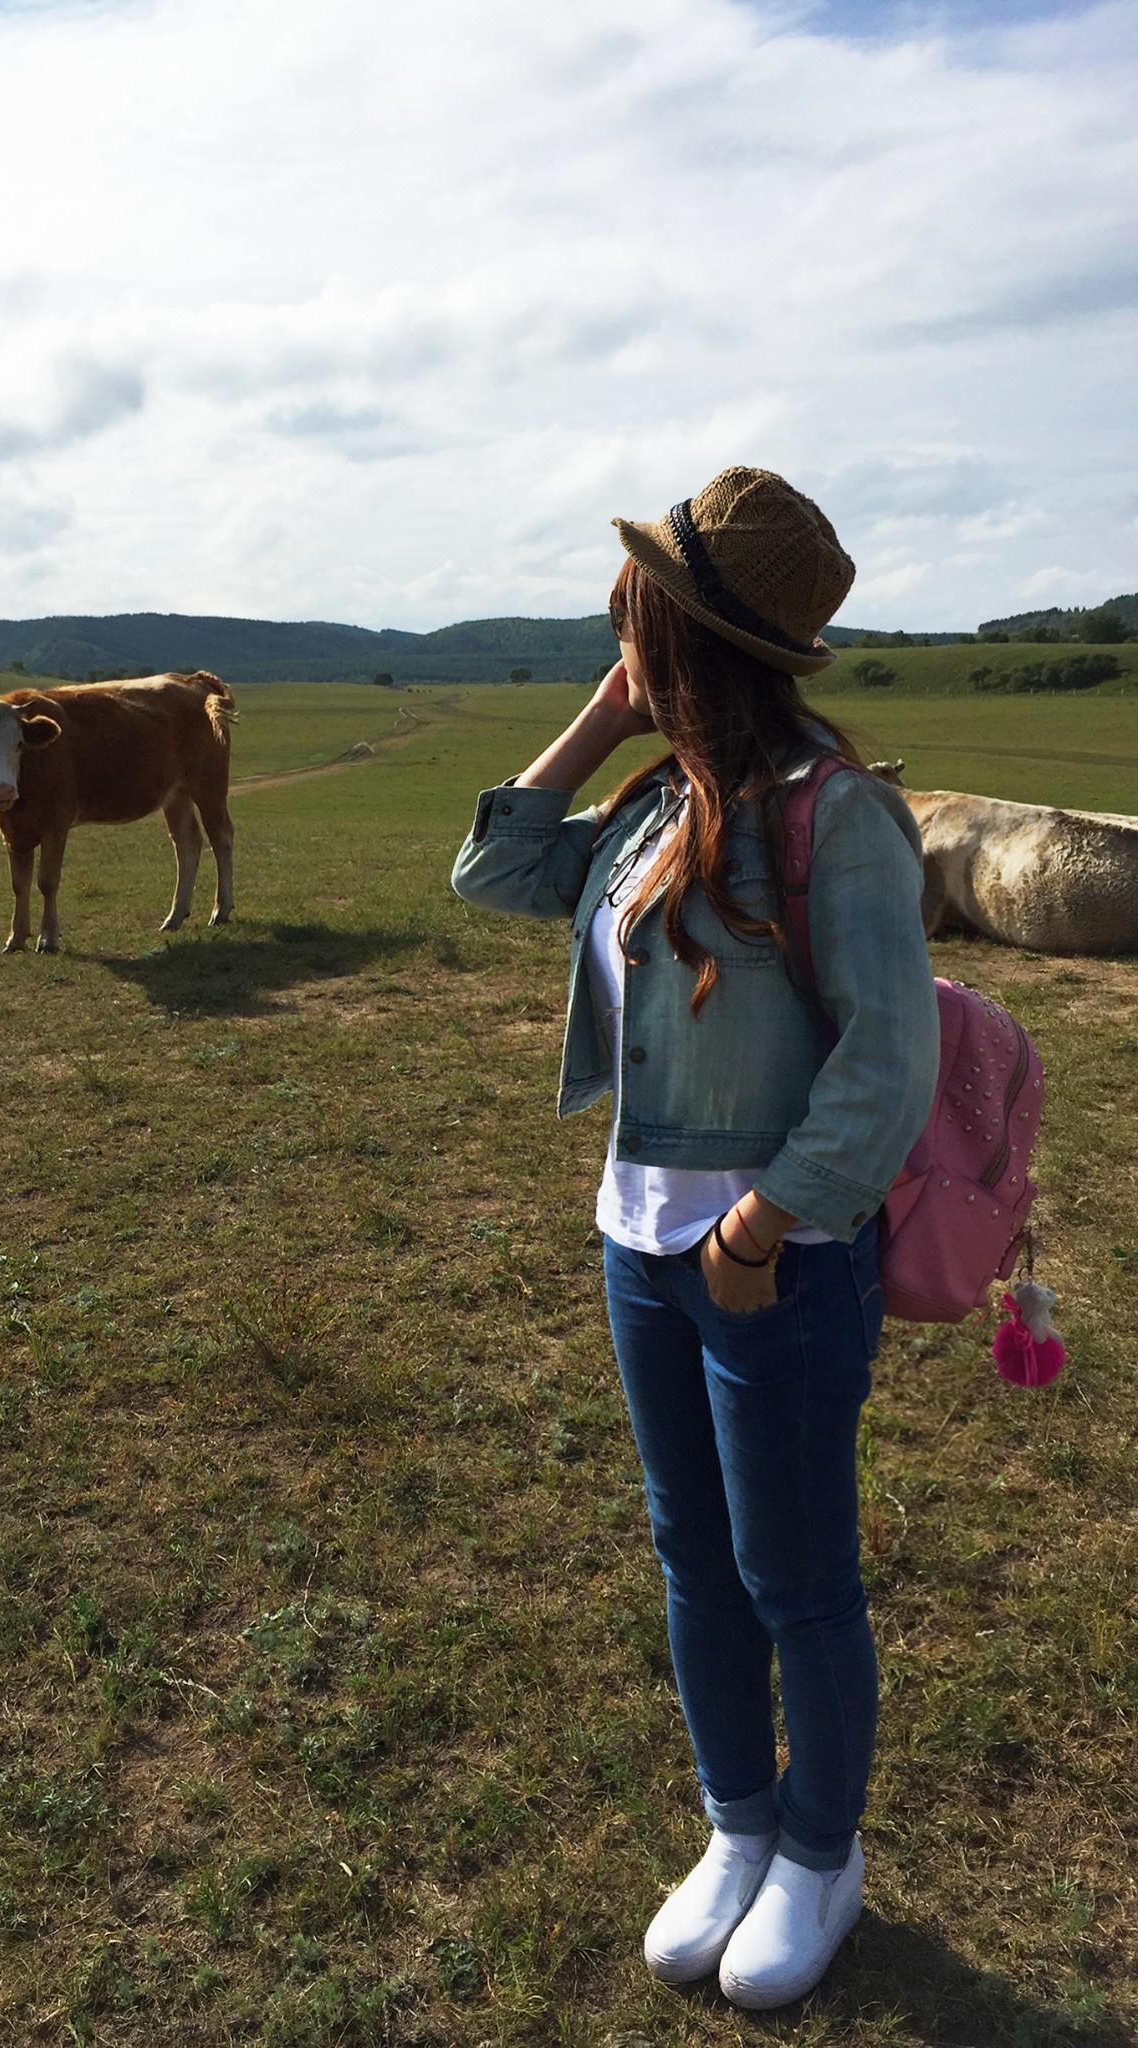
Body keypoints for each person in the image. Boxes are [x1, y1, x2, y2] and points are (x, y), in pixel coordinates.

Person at [450, 467, 939, 2010]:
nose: (612, 617)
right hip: (637, 1246)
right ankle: (737, 1828)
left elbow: (887, 1062)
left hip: (767, 1253)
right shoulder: (656, 798)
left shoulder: (833, 815)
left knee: (793, 1572)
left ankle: (821, 1852)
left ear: (700, 632)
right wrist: (605, 715)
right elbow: (498, 870)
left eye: (636, 606)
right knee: (693, 1554)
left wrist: (763, 1221)